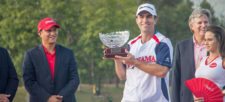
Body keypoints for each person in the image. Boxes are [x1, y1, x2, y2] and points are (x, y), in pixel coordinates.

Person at [113, 3, 173, 102]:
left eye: (149, 17)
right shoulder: (130, 44)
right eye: (141, 17)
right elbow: (122, 76)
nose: (145, 20)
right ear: (136, 20)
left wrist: (135, 62)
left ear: (155, 19)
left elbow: (162, 71)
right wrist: (117, 59)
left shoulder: (162, 42)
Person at [22, 17, 80, 102]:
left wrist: (60, 97)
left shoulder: (68, 53)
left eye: (55, 30)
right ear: (40, 33)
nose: (53, 33)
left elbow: (74, 79)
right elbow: (29, 82)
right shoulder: (31, 55)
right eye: (49, 30)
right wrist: (48, 98)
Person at [170, 8, 211, 102]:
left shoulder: (217, 46)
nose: (204, 25)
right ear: (192, 26)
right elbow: (176, 78)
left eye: (206, 22)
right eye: (200, 23)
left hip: (210, 98)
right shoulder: (181, 47)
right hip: (187, 98)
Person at [194, 25, 225, 102]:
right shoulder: (202, 60)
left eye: (210, 40)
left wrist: (220, 93)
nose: (206, 43)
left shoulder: (222, 60)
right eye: (205, 40)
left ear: (219, 40)